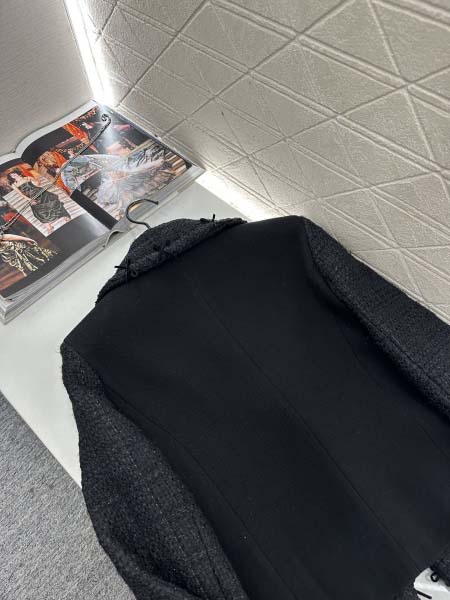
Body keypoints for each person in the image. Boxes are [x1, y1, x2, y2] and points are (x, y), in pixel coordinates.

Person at [7, 169, 71, 234]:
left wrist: (35, 181)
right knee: (37, 212)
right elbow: (21, 194)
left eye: (14, 173)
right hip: (31, 197)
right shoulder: (14, 185)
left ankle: (65, 216)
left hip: (40, 192)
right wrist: (30, 199)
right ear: (11, 177)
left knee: (53, 203)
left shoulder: (27, 178)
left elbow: (38, 184)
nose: (13, 175)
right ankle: (49, 227)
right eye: (12, 175)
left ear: (17, 173)